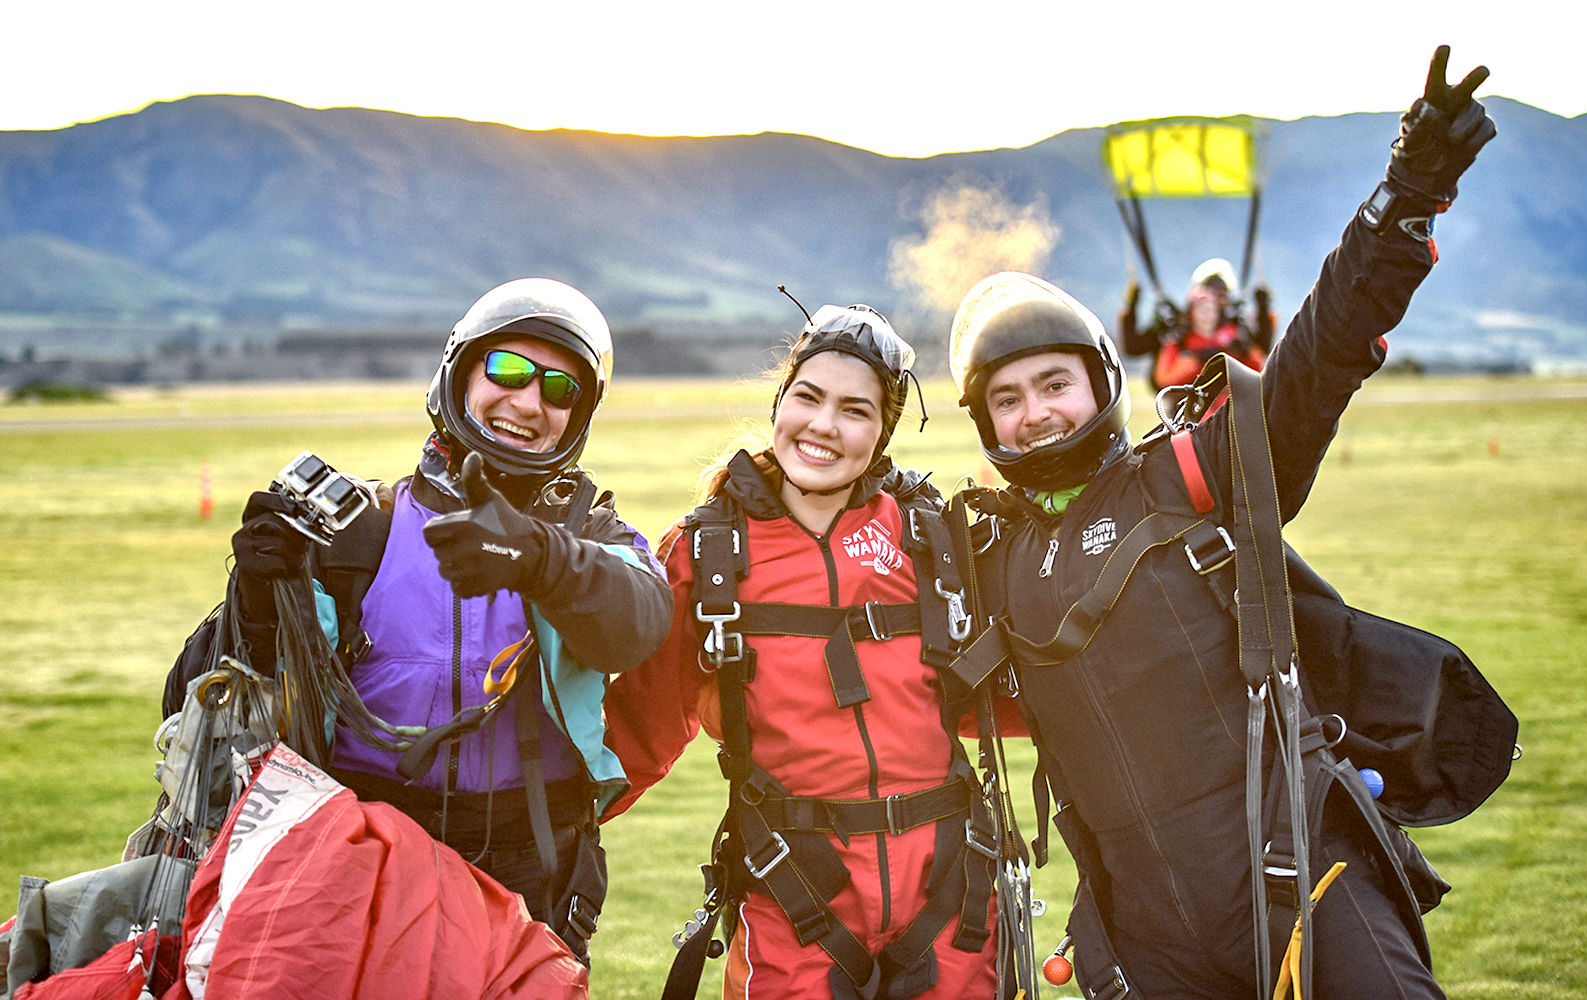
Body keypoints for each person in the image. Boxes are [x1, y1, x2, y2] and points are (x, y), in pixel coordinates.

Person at [944, 47, 1494, 1000]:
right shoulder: (987, 552)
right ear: (984, 422)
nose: (1034, 412)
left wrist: (1408, 193)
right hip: (1144, 929)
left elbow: (1317, 356)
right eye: (1008, 398)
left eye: (1053, 384)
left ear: (1100, 386)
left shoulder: (1193, 474)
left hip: (1301, 871)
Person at [165, 277, 673, 965]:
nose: (528, 401)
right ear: (459, 373)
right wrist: (255, 604)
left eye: (559, 389)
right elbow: (197, 708)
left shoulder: (593, 540)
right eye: (510, 370)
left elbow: (639, 624)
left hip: (532, 875)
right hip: (354, 860)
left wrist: (540, 559)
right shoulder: (353, 535)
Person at [603, 305, 1003, 1000]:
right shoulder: (707, 556)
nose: (822, 426)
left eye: (855, 410)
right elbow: (636, 729)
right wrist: (520, 828)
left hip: (949, 896)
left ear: (882, 434)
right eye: (808, 398)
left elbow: (1014, 698)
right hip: (797, 896)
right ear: (780, 401)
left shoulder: (930, 539)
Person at [1120, 258, 1275, 390]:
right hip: (1187, 411)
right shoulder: (1176, 332)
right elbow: (1134, 348)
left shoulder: (1237, 330)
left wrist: (1264, 311)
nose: (1215, 300)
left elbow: (1261, 354)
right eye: (1211, 292)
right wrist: (1130, 308)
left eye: (1222, 294)